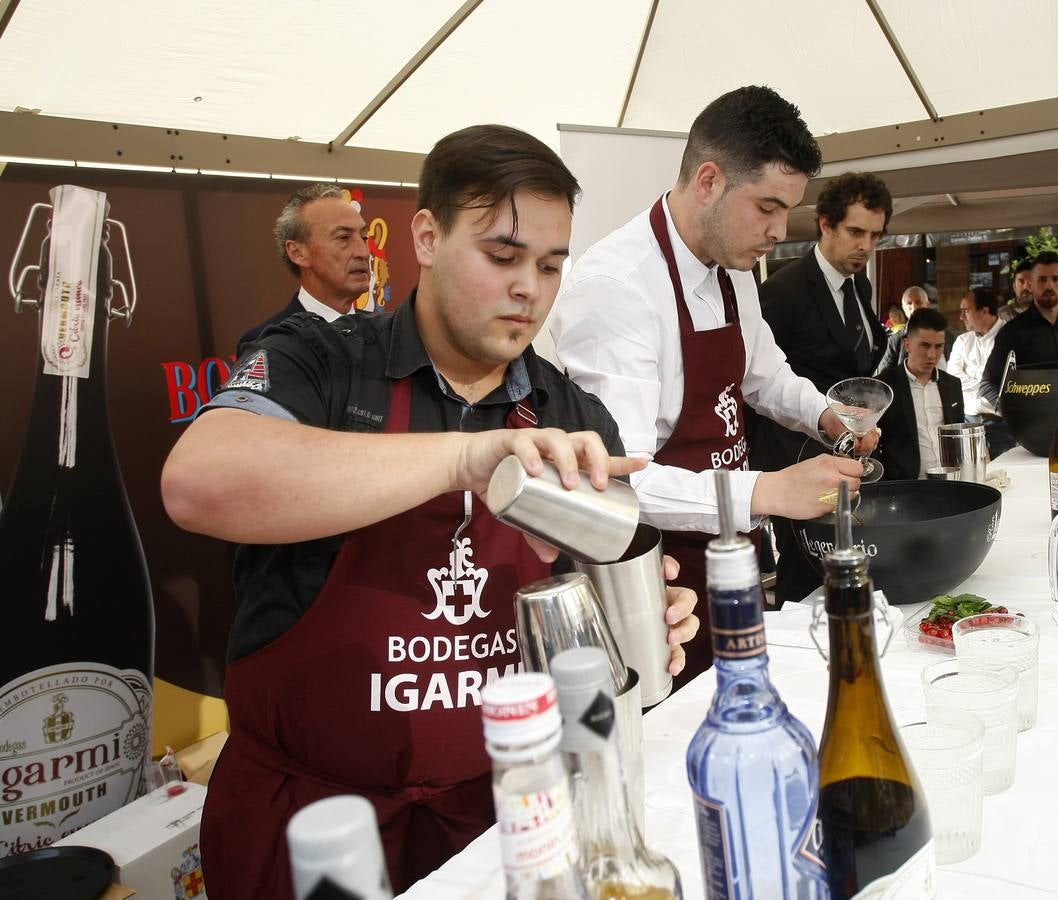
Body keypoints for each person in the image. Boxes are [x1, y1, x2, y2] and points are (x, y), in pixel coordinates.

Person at [161, 125, 700, 899]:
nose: (530, 290)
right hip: (312, 824)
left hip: (502, 820)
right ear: (426, 235)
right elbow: (198, 483)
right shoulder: (321, 361)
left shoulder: (573, 415)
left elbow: (591, 603)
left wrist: (644, 618)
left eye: (551, 266)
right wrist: (461, 458)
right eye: (503, 256)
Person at [550, 86, 867, 683]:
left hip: (730, 545)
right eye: (767, 206)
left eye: (788, 210)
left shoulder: (733, 264)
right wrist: (768, 491)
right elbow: (621, 479)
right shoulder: (615, 286)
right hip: (650, 571)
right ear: (709, 180)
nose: (779, 230)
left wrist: (826, 415)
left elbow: (762, 372)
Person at [755, 171, 890, 603]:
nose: (865, 246)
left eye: (875, 235)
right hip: (794, 462)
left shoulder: (860, 284)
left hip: (848, 453)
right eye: (855, 231)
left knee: (848, 565)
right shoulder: (783, 291)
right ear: (825, 225)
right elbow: (758, 384)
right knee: (805, 572)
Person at [236, 183, 372, 355]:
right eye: (343, 238)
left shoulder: (386, 334)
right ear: (298, 252)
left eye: (364, 237)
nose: (363, 252)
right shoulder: (267, 343)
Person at [979, 251, 1058, 410]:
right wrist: (1010, 413)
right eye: (1042, 279)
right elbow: (988, 384)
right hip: (1030, 424)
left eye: (1055, 279)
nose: (1049, 285)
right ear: (1031, 285)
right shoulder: (1013, 331)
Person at [874, 307, 965, 479]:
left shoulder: (952, 385)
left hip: (950, 483)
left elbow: (958, 435)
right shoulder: (884, 386)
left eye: (939, 347)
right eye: (925, 346)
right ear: (907, 344)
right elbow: (872, 442)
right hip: (903, 486)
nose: (932, 354)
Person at [947, 287, 1014, 457]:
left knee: (1006, 474)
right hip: (969, 420)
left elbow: (1008, 380)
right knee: (974, 478)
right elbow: (952, 378)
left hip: (1001, 421)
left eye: (966, 311)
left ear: (984, 311)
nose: (961, 317)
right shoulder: (963, 340)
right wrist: (985, 381)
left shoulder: (1010, 337)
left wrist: (971, 374)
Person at [876, 285, 957, 372]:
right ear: (903, 307)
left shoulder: (947, 337)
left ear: (927, 305)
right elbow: (884, 377)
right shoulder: (894, 340)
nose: (914, 308)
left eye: (918, 302)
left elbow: (954, 370)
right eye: (909, 303)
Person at [999, 258, 1035, 322]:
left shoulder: (1048, 314)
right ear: (1014, 286)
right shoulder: (1001, 316)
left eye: (1030, 281)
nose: (1025, 287)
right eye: (1021, 282)